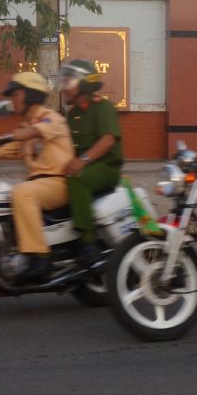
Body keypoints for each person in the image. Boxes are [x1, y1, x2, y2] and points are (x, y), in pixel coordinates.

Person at [0, 71, 75, 281]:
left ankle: (39, 258)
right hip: (41, 187)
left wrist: (5, 137)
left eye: (16, 95)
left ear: (30, 95)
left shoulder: (52, 119)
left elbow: (35, 132)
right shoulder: (24, 128)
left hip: (59, 183)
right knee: (3, 197)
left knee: (22, 193)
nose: (12, 101)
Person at [59, 58, 121, 256]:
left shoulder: (102, 107)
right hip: (89, 167)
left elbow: (108, 140)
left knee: (77, 179)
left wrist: (82, 161)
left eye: (69, 82)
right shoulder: (72, 114)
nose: (64, 87)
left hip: (106, 168)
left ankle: (87, 240)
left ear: (82, 83)